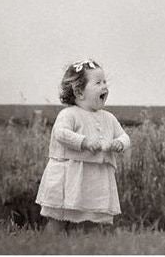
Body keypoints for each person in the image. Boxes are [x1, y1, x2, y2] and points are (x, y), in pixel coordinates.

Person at [36, 59, 130, 231]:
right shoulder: (69, 114)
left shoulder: (108, 118)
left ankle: (86, 247)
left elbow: (125, 136)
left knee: (93, 217)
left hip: (95, 177)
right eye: (98, 83)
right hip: (70, 175)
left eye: (105, 82)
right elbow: (61, 133)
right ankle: (50, 245)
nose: (104, 86)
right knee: (59, 216)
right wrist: (84, 142)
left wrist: (119, 143)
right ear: (79, 92)